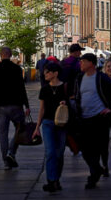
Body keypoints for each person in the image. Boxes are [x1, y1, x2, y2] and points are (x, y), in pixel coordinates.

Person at [69, 52, 111, 189]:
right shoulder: (80, 77)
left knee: (96, 147)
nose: (80, 63)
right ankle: (96, 169)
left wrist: (110, 108)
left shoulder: (101, 78)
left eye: (83, 61)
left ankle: (93, 175)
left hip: (99, 119)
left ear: (91, 64)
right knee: (84, 147)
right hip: (83, 118)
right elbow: (77, 95)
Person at [0, 46, 31, 169]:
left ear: (0, 55)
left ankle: (6, 162)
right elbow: (21, 88)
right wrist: (26, 105)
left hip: (0, 106)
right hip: (15, 104)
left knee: (3, 134)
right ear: (10, 55)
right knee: (20, 129)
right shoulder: (16, 69)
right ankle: (11, 152)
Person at [33, 61, 71, 193]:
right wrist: (37, 127)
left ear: (56, 73)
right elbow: (42, 109)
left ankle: (56, 179)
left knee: (59, 153)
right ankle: (51, 181)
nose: (45, 74)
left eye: (48, 72)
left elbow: (73, 105)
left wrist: (65, 103)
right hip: (48, 123)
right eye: (45, 72)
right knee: (50, 153)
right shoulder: (44, 89)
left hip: (62, 124)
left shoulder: (65, 87)